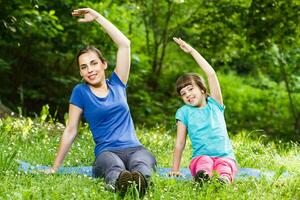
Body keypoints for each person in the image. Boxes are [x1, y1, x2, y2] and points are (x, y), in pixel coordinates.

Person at [46, 8, 156, 196]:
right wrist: (55, 167)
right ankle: (119, 183)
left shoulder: (118, 83)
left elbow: (124, 44)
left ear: (104, 64)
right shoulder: (80, 92)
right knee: (114, 167)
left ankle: (141, 182)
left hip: (135, 148)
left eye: (94, 63)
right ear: (80, 72)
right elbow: (71, 130)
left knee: (142, 163)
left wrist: (97, 17)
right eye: (84, 67)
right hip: (107, 152)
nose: (90, 69)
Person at [168, 37, 238, 184]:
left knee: (224, 166)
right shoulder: (184, 112)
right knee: (204, 162)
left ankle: (223, 180)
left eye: (190, 89)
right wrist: (175, 169)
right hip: (200, 157)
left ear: (202, 89)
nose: (188, 95)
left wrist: (192, 51)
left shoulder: (215, 104)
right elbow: (180, 143)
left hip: (225, 156)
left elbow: (211, 74)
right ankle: (203, 177)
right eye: (183, 94)